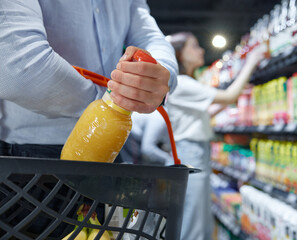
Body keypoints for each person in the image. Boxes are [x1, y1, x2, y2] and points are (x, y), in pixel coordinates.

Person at [0, 1, 178, 160]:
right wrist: (110, 105)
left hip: (111, 148)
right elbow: (18, 67)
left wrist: (160, 73)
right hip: (32, 153)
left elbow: (151, 37)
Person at [166, 32, 264, 240]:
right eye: (194, 46)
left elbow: (205, 113)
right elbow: (229, 96)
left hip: (191, 150)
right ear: (180, 54)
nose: (200, 50)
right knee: (194, 217)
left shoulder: (185, 83)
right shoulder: (182, 83)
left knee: (197, 212)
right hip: (190, 151)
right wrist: (251, 62)